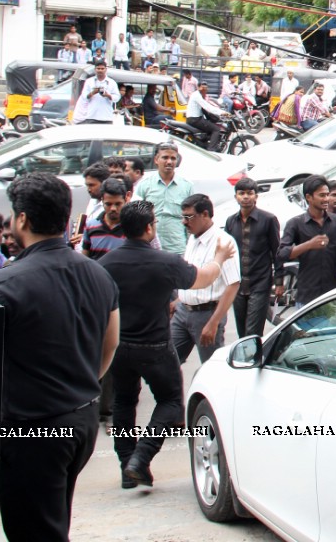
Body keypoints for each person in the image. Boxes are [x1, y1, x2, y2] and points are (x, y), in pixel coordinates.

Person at [0, 173, 119, 542]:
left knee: (35, 530)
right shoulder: (98, 274)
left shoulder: (1, 285)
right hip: (81, 419)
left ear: (21, 219)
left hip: (35, 431)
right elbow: (110, 343)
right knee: (51, 519)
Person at [99, 200, 234, 489]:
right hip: (155, 346)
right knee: (171, 401)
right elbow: (204, 278)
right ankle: (141, 458)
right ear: (149, 228)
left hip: (120, 346)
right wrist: (220, 257)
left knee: (123, 402)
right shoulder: (163, 261)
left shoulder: (106, 263)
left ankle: (127, 465)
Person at [171, 194, 241, 366]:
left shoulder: (223, 242)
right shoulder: (192, 239)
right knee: (167, 362)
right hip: (182, 313)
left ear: (205, 215)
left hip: (206, 314)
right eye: (183, 217)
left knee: (212, 368)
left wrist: (214, 322)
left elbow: (233, 285)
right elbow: (191, 277)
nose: (184, 222)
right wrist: (179, 300)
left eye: (189, 217)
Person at [279, 175, 336, 309]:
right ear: (309, 197)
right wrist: (309, 245)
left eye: (327, 195)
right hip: (306, 295)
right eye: (321, 195)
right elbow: (282, 254)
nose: (326, 199)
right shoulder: (296, 223)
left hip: (330, 295)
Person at [224, 177, 281, 340]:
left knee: (253, 330)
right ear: (236, 197)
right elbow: (228, 253)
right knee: (242, 332)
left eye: (250, 193)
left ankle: (254, 361)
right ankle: (244, 361)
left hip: (260, 282)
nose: (246, 197)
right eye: (241, 193)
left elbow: (277, 251)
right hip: (238, 283)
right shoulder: (231, 221)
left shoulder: (268, 219)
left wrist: (279, 281)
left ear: (256, 196)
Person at [134, 141, 193, 255]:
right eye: (165, 157)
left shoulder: (187, 186)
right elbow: (137, 216)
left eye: (173, 158)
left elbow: (191, 218)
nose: (169, 162)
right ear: (156, 160)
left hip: (177, 248)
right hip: (151, 247)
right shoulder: (144, 185)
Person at [81, 178, 129, 260]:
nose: (113, 208)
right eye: (108, 204)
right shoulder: (90, 226)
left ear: (126, 200)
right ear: (102, 201)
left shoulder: (132, 227)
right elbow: (85, 258)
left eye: (118, 204)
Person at [185, 82, 228, 151]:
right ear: (198, 87)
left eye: (205, 88)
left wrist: (219, 110)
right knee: (216, 129)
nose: (204, 89)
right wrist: (222, 113)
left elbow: (210, 104)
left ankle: (206, 144)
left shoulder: (202, 95)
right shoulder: (197, 95)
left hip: (196, 118)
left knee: (210, 125)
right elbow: (207, 107)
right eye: (202, 87)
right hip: (195, 119)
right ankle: (211, 149)